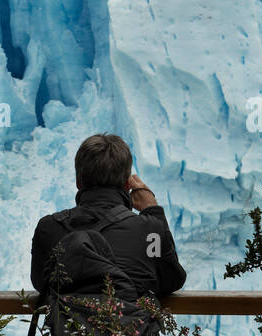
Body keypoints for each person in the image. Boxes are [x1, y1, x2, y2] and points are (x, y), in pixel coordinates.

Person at [30, 132, 187, 311]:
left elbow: (41, 283)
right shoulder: (150, 230)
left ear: (78, 182)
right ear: (128, 184)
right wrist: (152, 211)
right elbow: (171, 280)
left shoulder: (49, 229)